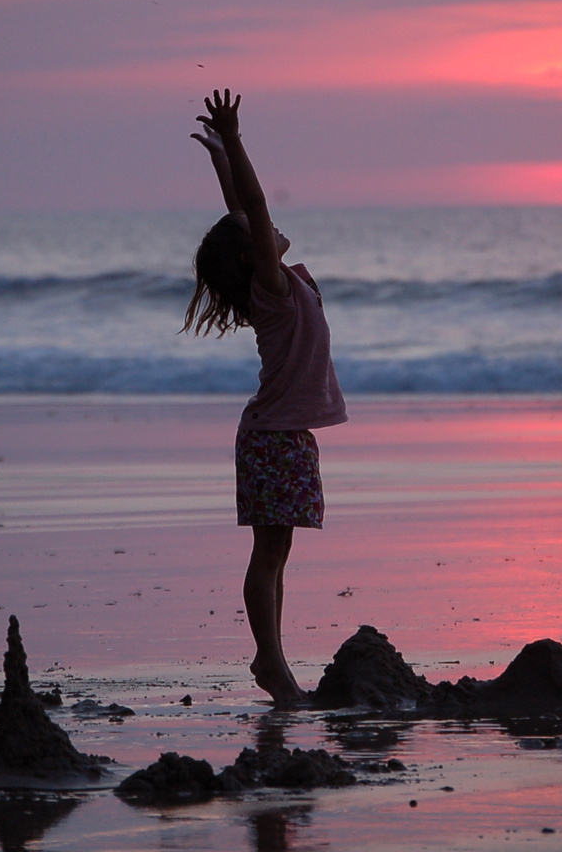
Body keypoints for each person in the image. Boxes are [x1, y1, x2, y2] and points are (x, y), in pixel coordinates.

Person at [183, 88, 347, 706]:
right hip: (273, 436)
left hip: (283, 433)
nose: (272, 224)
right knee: (270, 553)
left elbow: (240, 211)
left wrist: (221, 155)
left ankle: (272, 658)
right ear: (253, 254)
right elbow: (249, 207)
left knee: (276, 553)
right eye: (260, 230)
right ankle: (271, 661)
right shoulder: (272, 290)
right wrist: (239, 141)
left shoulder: (279, 283)